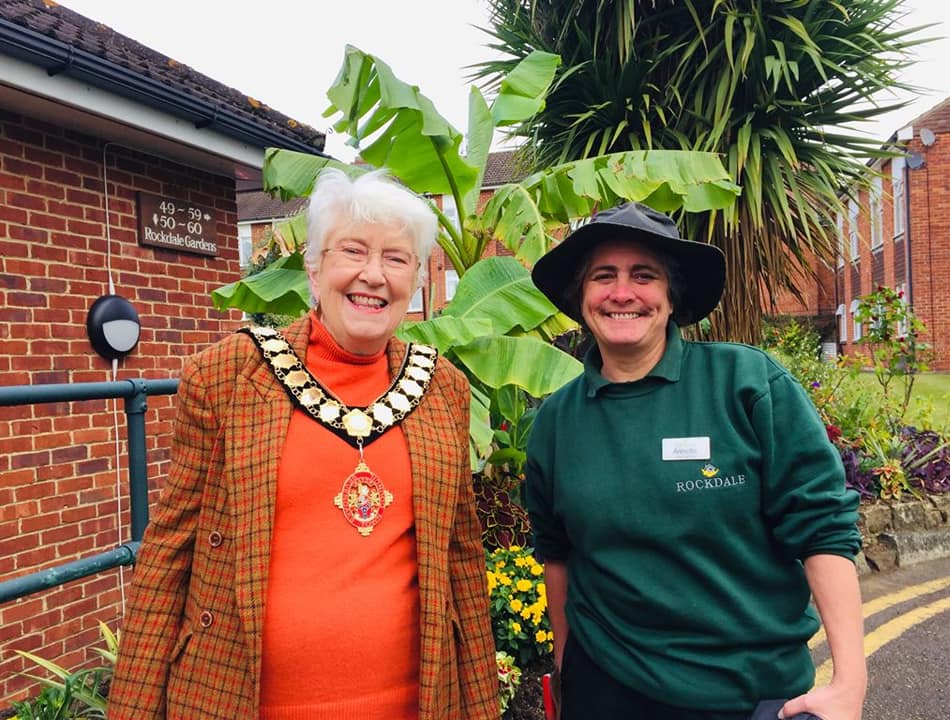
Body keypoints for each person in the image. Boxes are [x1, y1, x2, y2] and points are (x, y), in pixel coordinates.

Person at [108, 168, 500, 720]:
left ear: (415, 279)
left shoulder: (444, 388)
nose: (373, 275)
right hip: (238, 700)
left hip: (413, 704)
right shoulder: (226, 375)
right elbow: (168, 552)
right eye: (353, 251)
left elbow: (460, 560)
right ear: (314, 271)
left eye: (395, 259)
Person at [525, 203, 866, 720]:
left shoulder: (747, 384)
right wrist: (566, 663)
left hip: (747, 692)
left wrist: (849, 682)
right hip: (608, 685)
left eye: (644, 275)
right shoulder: (557, 420)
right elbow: (558, 554)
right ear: (581, 295)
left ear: (671, 295)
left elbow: (824, 530)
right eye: (603, 276)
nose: (622, 293)